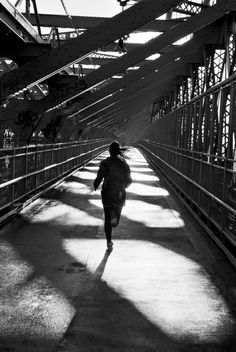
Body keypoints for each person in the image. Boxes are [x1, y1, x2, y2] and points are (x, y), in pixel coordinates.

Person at [93, 141, 132, 251]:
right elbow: (129, 180)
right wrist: (123, 187)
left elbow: (100, 175)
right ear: (118, 151)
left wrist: (96, 183)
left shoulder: (105, 162)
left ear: (109, 151)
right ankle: (115, 215)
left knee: (107, 219)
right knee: (116, 214)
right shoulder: (123, 163)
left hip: (107, 193)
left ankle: (109, 242)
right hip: (119, 192)